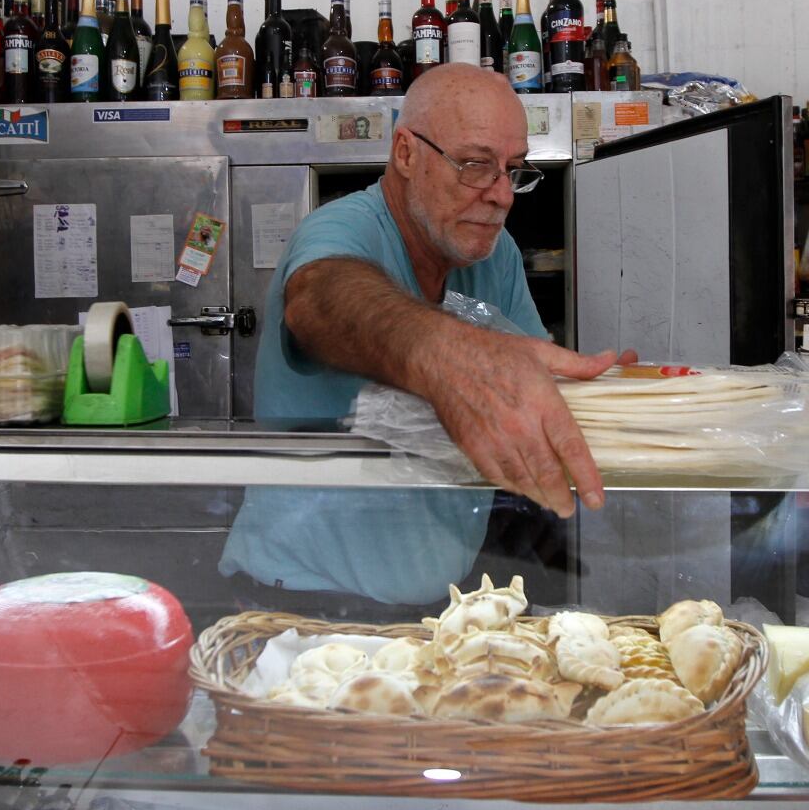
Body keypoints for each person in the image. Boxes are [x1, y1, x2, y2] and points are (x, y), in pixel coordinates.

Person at [219, 63, 631, 614]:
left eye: (513, 170)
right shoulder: (342, 229)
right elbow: (320, 300)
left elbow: (536, 384)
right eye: (475, 165)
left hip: (438, 604)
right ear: (406, 153)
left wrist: (632, 404)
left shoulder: (495, 253)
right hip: (300, 601)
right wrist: (446, 355)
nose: (503, 195)